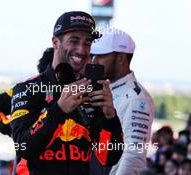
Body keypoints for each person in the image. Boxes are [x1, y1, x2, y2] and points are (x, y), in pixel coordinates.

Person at [9, 11, 123, 175]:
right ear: (55, 42)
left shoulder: (92, 91)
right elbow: (24, 147)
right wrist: (58, 110)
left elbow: (108, 158)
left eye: (87, 43)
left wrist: (111, 117)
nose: (82, 50)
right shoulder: (27, 89)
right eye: (74, 41)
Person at [90, 28, 155, 175]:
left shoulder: (136, 98)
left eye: (101, 56)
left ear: (121, 58)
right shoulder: (106, 89)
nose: (95, 61)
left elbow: (133, 156)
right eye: (93, 56)